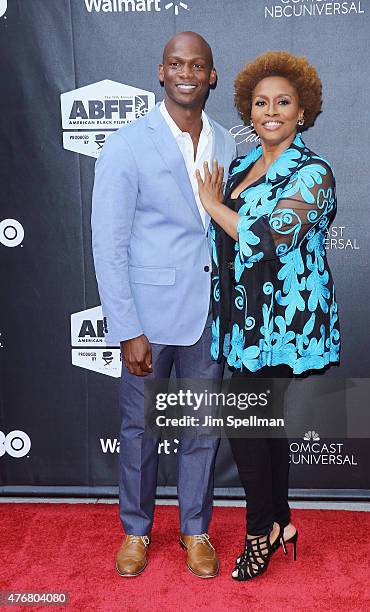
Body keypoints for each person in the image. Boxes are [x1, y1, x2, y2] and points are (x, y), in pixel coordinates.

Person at [91, 31, 236, 578]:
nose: (187, 73)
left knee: (202, 428)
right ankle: (135, 532)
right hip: (148, 319)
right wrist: (126, 326)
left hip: (207, 315)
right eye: (177, 63)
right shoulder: (127, 142)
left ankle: (196, 531)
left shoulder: (225, 141)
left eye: (197, 64)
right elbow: (109, 242)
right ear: (160, 71)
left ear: (211, 76)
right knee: (140, 429)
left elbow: (218, 228)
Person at [196, 51, 341, 581]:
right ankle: (281, 522)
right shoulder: (238, 166)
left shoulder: (314, 172)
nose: (271, 110)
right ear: (248, 111)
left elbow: (269, 237)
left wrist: (213, 204)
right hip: (241, 318)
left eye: (283, 102)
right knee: (264, 422)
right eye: (261, 103)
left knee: (246, 418)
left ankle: (259, 530)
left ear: (303, 112)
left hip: (285, 320)